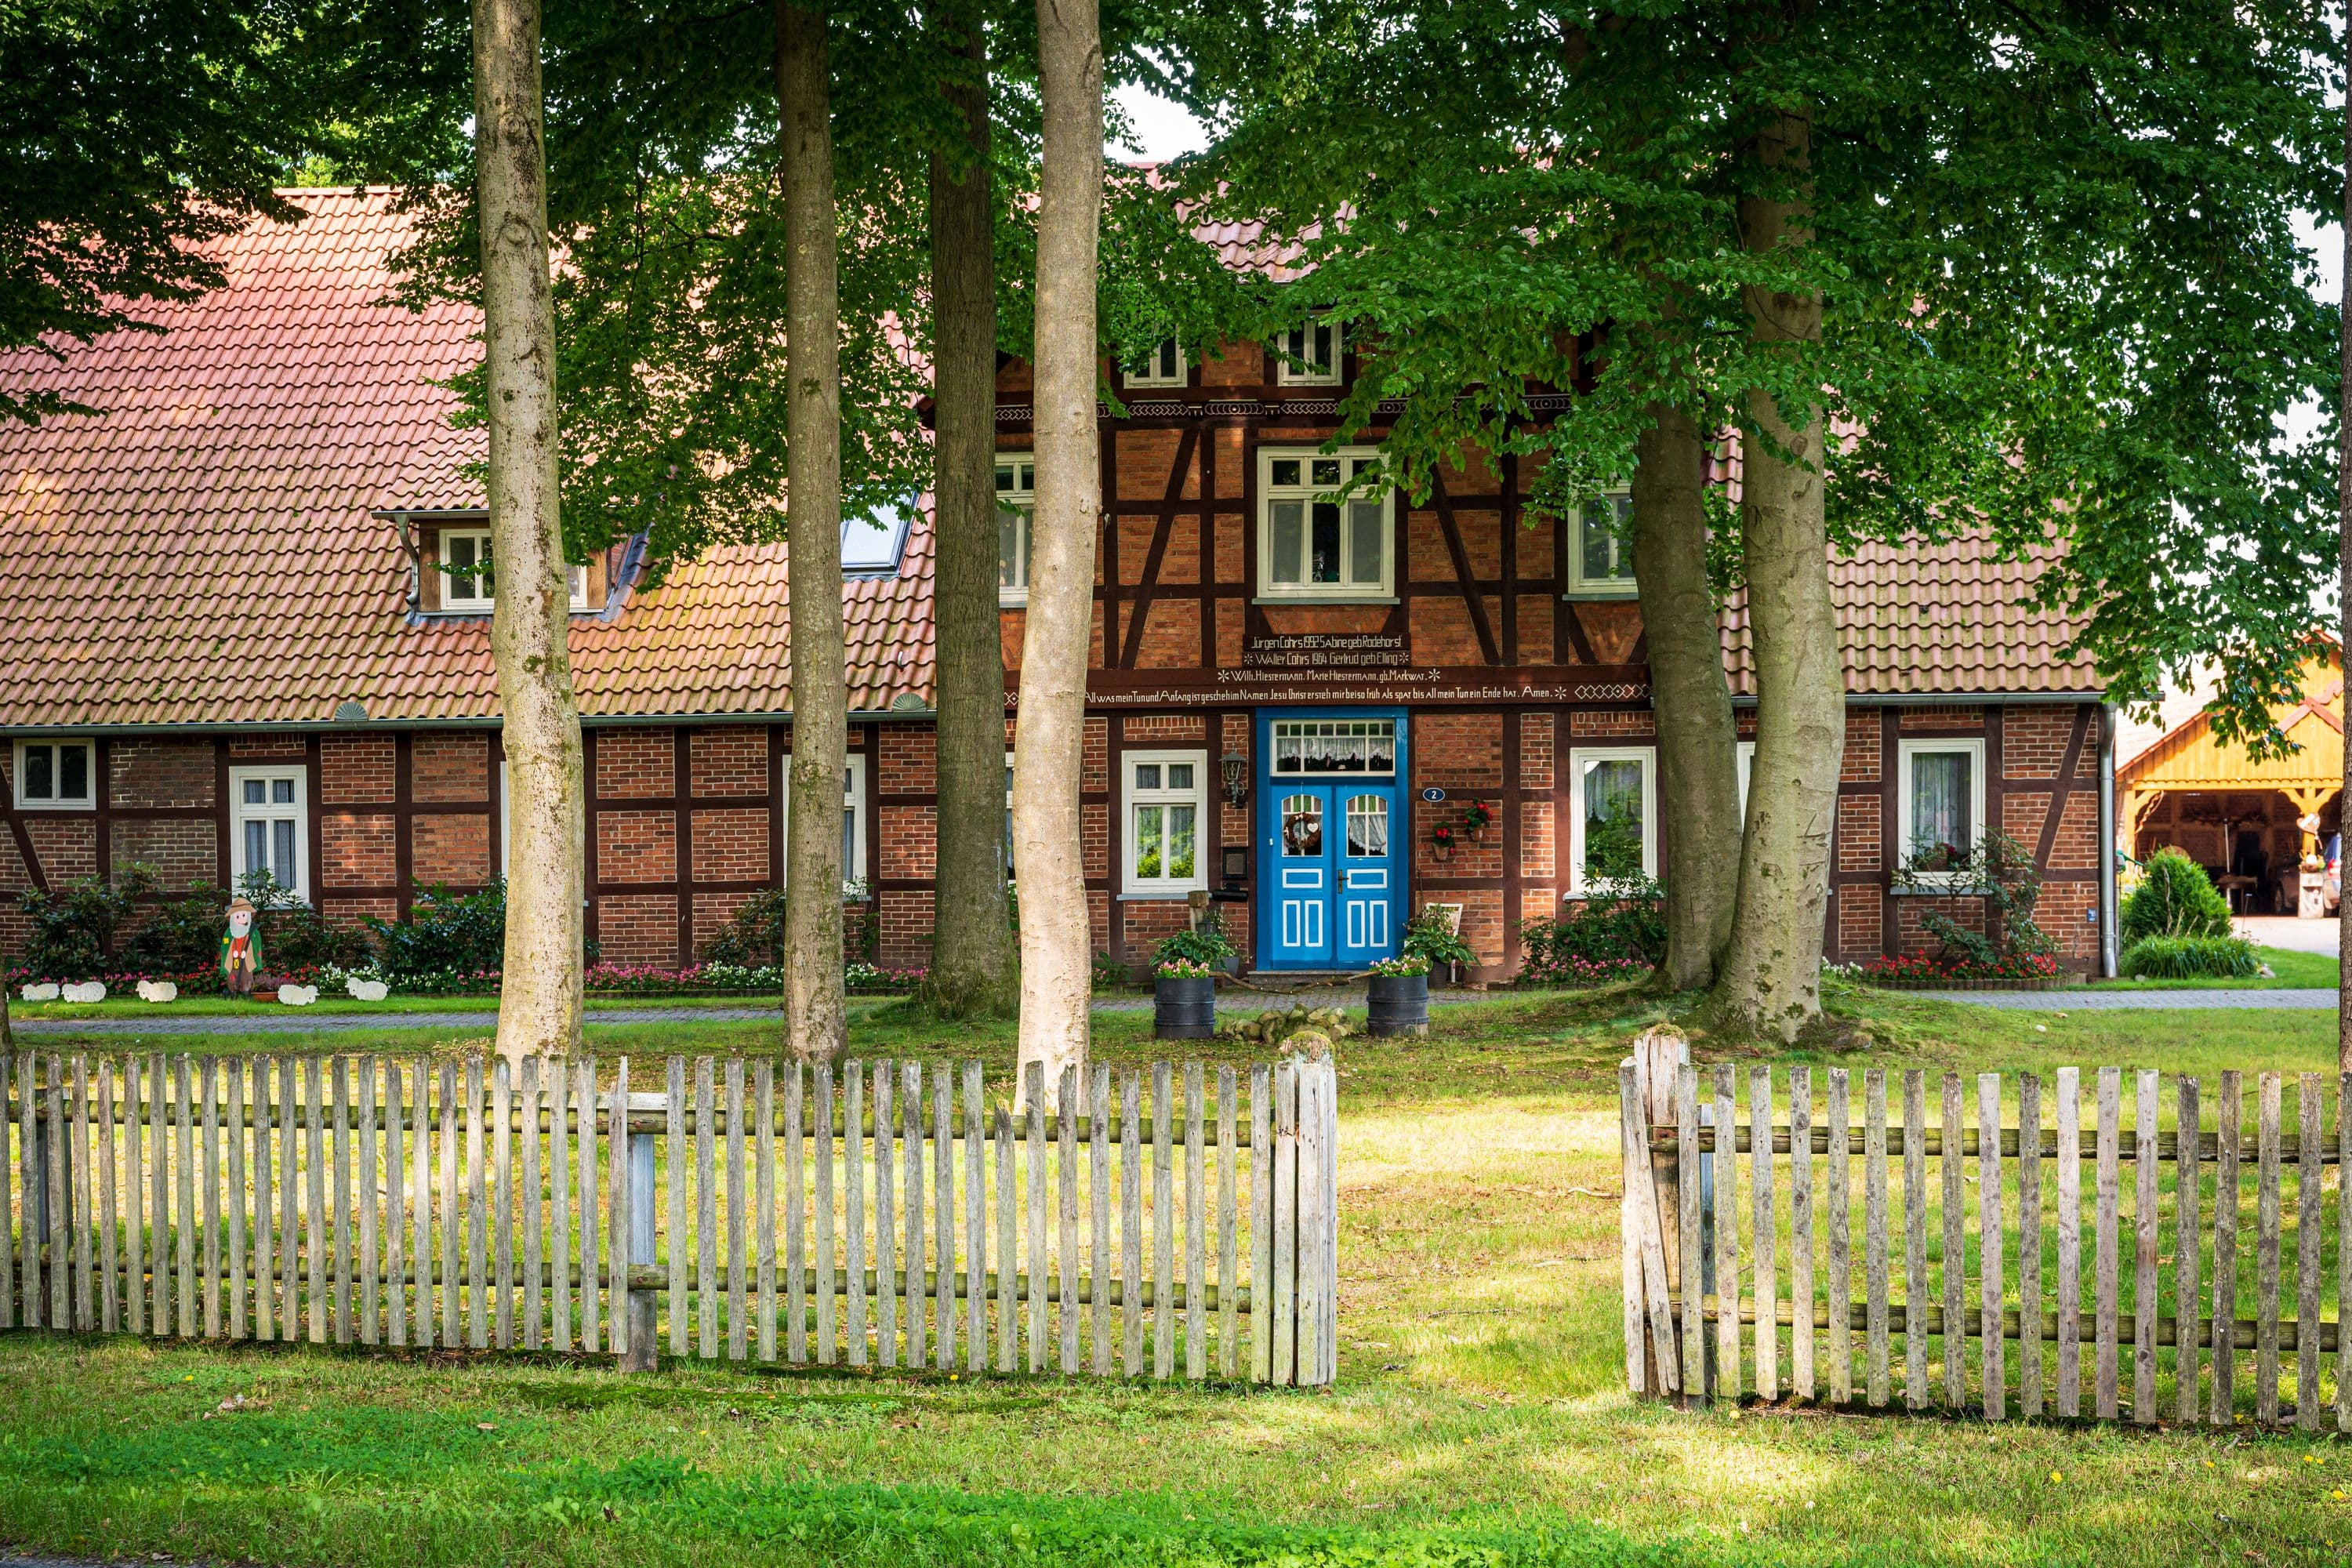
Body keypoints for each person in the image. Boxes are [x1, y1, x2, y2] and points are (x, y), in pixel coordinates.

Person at [219, 898, 263, 997]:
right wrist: (233, 952)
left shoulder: (253, 933)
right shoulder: (229, 933)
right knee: (233, 975)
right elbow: (225, 946)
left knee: (246, 975)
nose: (240, 919)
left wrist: (246, 952)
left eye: (243, 916)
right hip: (233, 959)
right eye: (237, 916)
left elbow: (256, 946)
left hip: (246, 960)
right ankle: (233, 991)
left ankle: (246, 990)